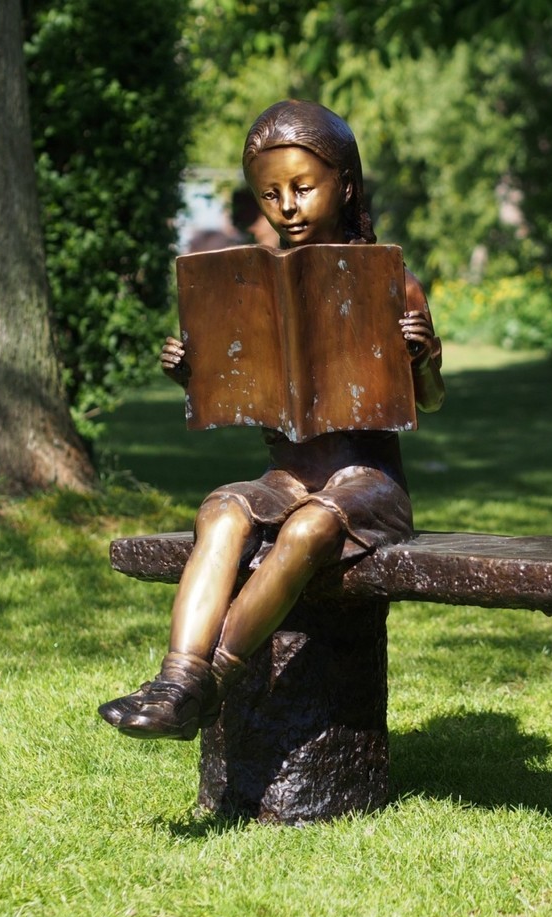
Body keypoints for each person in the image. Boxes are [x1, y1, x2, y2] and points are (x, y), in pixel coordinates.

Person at [99, 100, 445, 740]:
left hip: (365, 484)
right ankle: (177, 677)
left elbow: (430, 402)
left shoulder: (393, 282)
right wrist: (194, 370)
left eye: (302, 189)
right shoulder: (251, 282)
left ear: (344, 185)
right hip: (286, 474)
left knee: (311, 529)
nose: (286, 206)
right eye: (270, 193)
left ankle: (205, 687)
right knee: (222, 511)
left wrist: (420, 358)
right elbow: (234, 385)